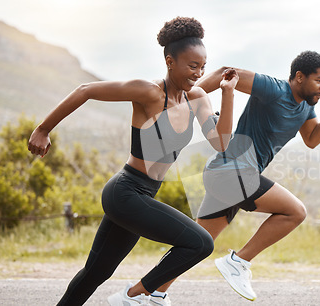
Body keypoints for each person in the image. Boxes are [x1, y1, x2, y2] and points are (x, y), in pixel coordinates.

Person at [27, 17, 239, 306]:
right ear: (170, 61)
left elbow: (221, 142)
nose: (198, 73)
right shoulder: (148, 92)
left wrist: (227, 94)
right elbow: (85, 90)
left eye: (203, 66)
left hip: (144, 195)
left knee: (96, 272)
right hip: (125, 191)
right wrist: (43, 129)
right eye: (192, 66)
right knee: (201, 243)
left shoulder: (198, 98)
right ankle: (134, 296)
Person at [153, 50, 320, 301]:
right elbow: (226, 72)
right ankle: (238, 262)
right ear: (299, 77)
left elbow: (312, 140)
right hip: (232, 173)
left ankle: (147, 293)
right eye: (319, 81)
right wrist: (181, 102)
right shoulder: (274, 89)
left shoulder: (305, 109)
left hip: (231, 177)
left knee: (196, 245)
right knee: (295, 212)